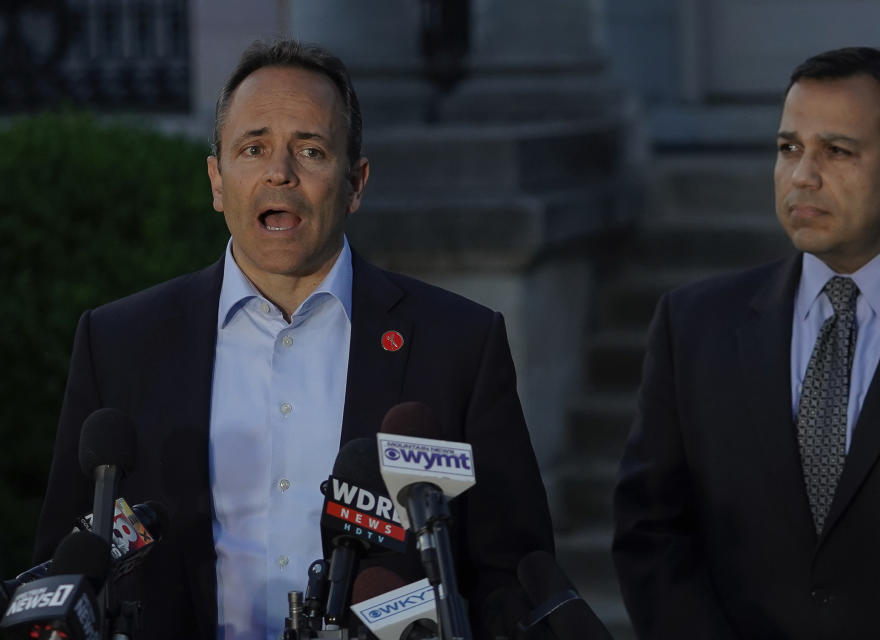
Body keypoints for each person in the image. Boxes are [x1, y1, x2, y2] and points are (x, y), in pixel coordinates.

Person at [33, 39, 554, 640]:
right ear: (217, 181)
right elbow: (64, 571)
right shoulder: (118, 342)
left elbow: (513, 574)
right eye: (253, 149)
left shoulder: (458, 343)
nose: (280, 172)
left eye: (310, 150)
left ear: (356, 183)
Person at [613, 46, 880, 639]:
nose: (803, 175)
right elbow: (652, 531)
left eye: (838, 151)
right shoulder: (694, 324)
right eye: (788, 148)